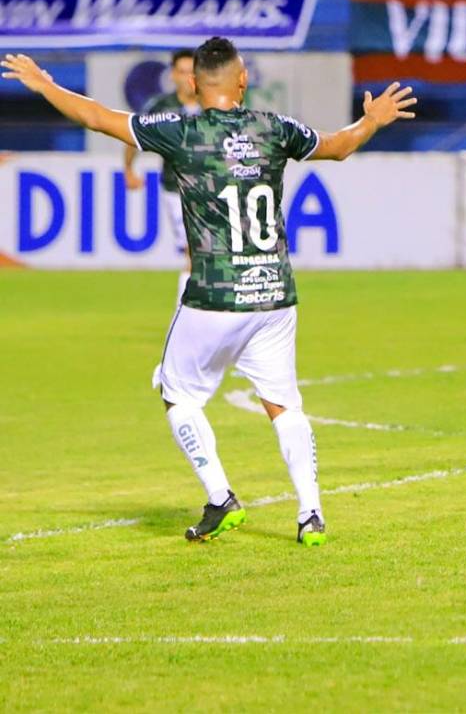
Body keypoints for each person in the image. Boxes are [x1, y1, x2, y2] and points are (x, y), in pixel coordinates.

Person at [2, 39, 416, 545]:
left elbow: (97, 117)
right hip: (274, 293)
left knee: (176, 393)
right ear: (243, 81)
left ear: (193, 85)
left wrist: (44, 84)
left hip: (214, 295)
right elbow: (339, 146)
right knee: (284, 404)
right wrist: (370, 121)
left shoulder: (181, 131)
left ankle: (221, 497)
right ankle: (311, 516)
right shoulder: (275, 127)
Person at [123, 50, 201, 307]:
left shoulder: (214, 103)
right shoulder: (162, 107)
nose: (188, 77)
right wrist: (128, 170)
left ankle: (195, 310)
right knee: (195, 250)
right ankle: (187, 309)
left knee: (205, 251)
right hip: (177, 188)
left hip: (214, 188)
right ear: (173, 75)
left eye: (193, 71)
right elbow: (133, 135)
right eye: (182, 71)